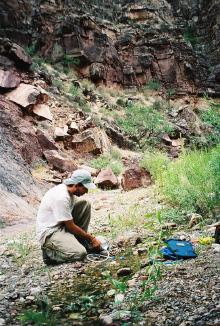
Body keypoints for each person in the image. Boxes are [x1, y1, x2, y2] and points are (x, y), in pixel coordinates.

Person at [36, 169, 101, 265]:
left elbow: (69, 220)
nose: (86, 191)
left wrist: (86, 237)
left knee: (85, 204)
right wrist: (91, 238)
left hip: (61, 224)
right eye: (85, 188)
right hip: (50, 232)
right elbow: (70, 226)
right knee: (80, 253)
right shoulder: (61, 197)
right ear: (77, 185)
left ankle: (79, 241)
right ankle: (49, 253)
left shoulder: (70, 192)